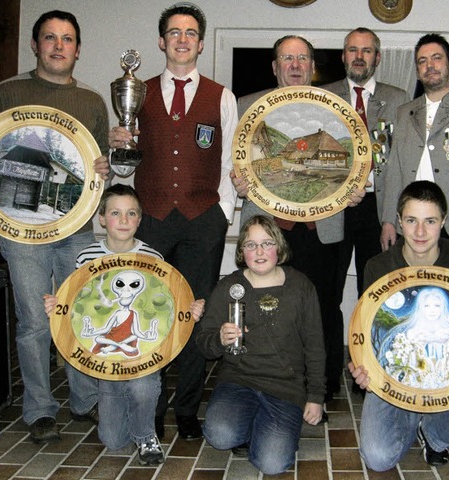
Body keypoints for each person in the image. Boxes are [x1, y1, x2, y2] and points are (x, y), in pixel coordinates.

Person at [0, 10, 110, 444]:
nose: (58, 46)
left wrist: (106, 165)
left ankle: (84, 400)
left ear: (78, 50)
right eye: (50, 38)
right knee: (33, 322)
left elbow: (97, 167)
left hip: (76, 229)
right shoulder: (5, 92)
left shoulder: (93, 101)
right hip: (19, 229)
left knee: (79, 315)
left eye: (67, 39)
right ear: (35, 45)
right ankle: (40, 409)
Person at [108, 2, 238, 440]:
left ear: (200, 43)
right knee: (149, 311)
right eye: (174, 32)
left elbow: (230, 160)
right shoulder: (137, 92)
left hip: (204, 218)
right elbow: (125, 168)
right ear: (162, 42)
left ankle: (186, 408)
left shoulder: (221, 95)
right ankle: (152, 405)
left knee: (197, 315)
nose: (182, 39)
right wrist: (118, 147)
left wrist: (223, 211)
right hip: (153, 218)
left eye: (190, 33)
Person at [232, 35, 365, 402]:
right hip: (268, 231)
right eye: (287, 58)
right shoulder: (246, 106)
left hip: (321, 230)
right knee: (264, 308)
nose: (294, 65)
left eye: (302, 58)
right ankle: (264, 383)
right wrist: (238, 183)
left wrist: (355, 189)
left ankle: (322, 387)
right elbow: (232, 166)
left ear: (312, 67)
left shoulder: (338, 109)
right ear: (275, 67)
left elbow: (355, 164)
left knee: (323, 307)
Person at [348, 180, 449, 471]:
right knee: (378, 458)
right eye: (411, 220)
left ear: (443, 222)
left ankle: (434, 436)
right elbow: (368, 331)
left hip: (443, 377)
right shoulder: (377, 267)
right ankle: (414, 419)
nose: (420, 232)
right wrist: (360, 365)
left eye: (430, 221)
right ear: (398, 221)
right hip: (393, 380)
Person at [44, 184, 205, 464]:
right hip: (106, 361)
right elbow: (78, 308)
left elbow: (166, 303)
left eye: (131, 214)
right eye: (115, 213)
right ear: (102, 218)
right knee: (113, 440)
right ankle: (131, 408)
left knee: (143, 386)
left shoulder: (153, 259)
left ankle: (145, 435)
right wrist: (57, 307)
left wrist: (189, 310)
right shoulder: (85, 259)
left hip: (142, 352)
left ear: (140, 220)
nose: (124, 220)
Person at [196, 215, 325, 475]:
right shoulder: (228, 286)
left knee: (273, 464)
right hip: (238, 379)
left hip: (284, 386)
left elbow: (315, 345)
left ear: (279, 247)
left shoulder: (301, 286)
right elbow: (204, 342)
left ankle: (268, 427)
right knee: (219, 436)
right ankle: (254, 422)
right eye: (251, 245)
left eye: (267, 243)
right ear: (242, 251)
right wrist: (219, 339)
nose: (259, 251)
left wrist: (315, 397)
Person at [323, 27, 408, 298]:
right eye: (353, 50)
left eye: (367, 50)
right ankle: (330, 343)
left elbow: (400, 164)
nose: (359, 56)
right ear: (343, 56)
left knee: (378, 290)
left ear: (377, 57)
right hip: (334, 206)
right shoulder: (322, 97)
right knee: (328, 290)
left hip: (378, 207)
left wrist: (391, 218)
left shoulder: (399, 99)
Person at [382, 33, 449, 252]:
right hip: (412, 225)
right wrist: (389, 221)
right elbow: (395, 170)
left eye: (436, 58)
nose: (429, 65)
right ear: (417, 72)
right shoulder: (404, 112)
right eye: (422, 61)